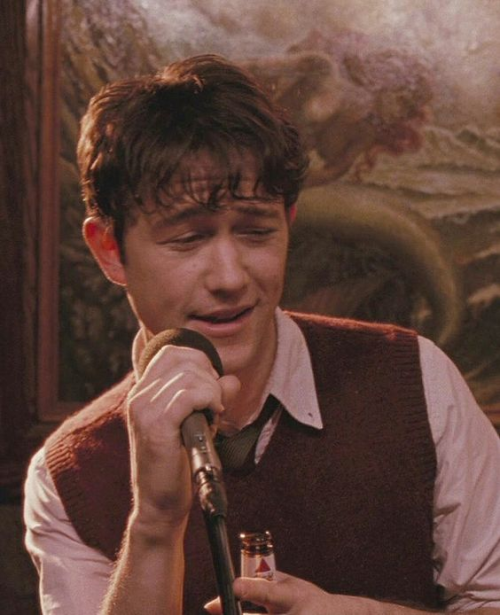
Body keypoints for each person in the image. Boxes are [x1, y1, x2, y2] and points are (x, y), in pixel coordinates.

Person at [24, 54, 500, 615]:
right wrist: (155, 523)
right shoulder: (68, 475)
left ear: (289, 222)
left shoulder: (417, 379)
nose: (230, 278)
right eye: (188, 239)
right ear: (109, 249)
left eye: (255, 232)